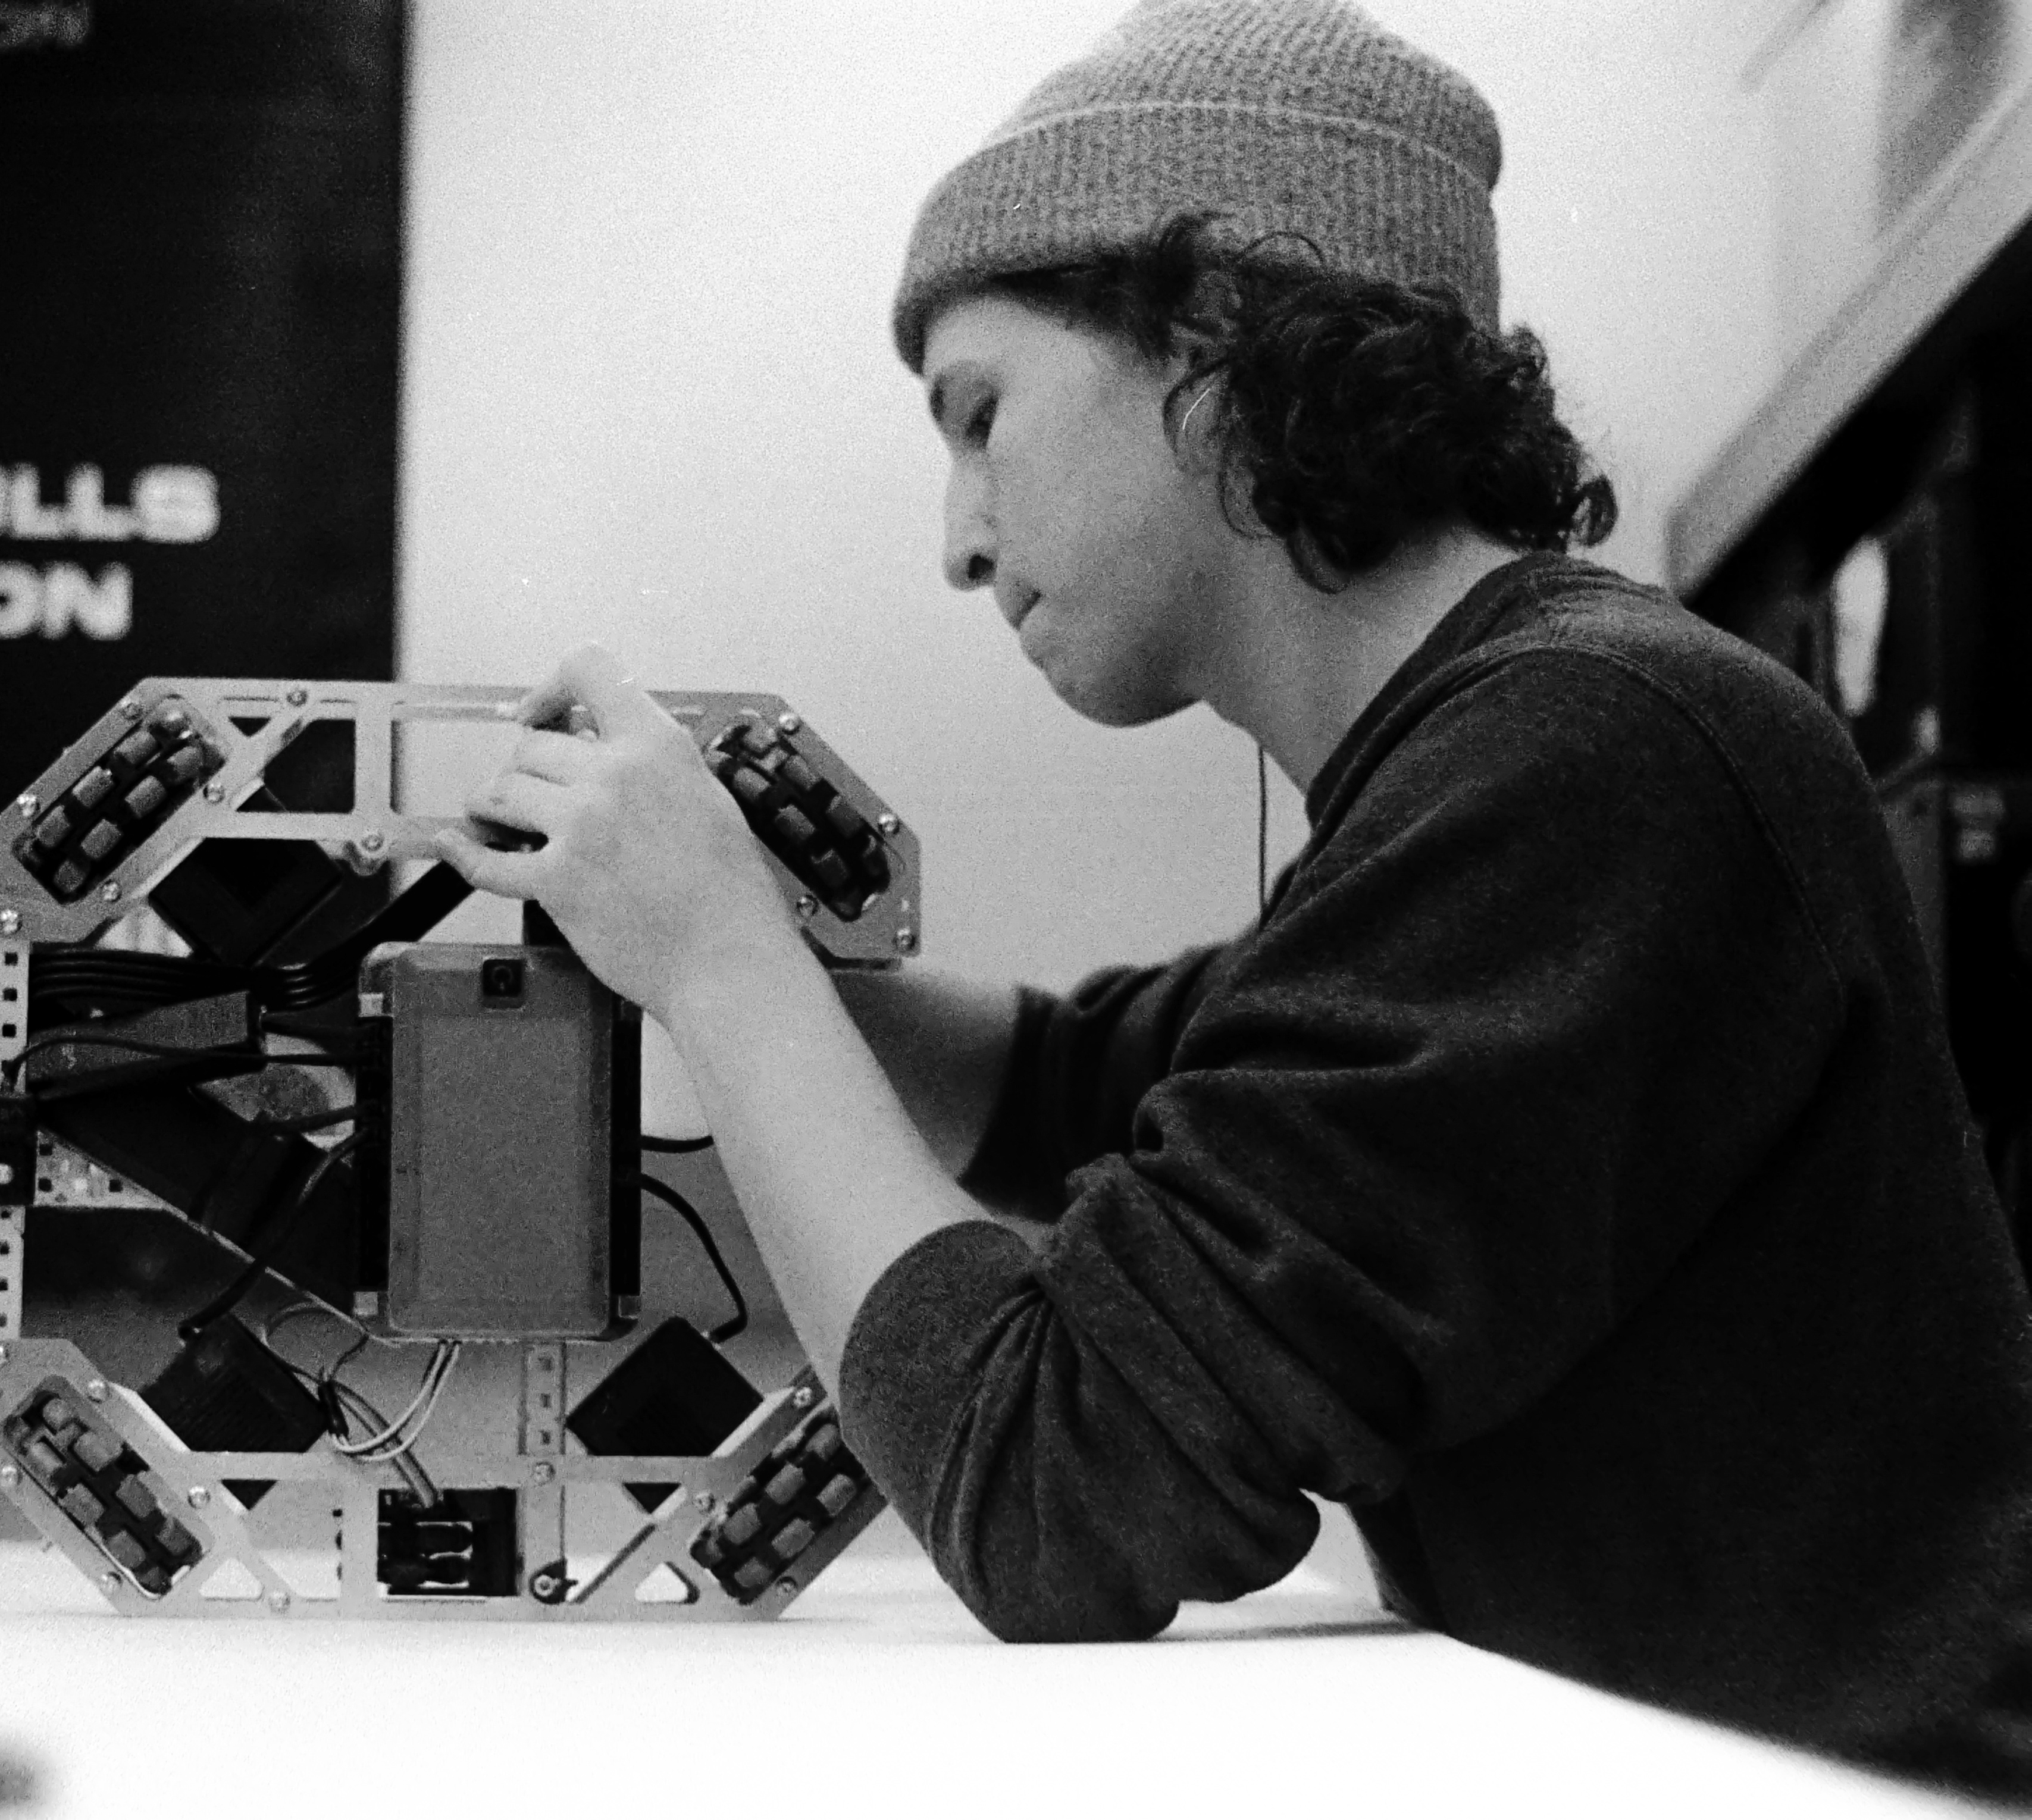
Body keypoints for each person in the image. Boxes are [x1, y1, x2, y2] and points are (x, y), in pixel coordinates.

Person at [430, 0, 2032, 1797]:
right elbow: (1077, 1081)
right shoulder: (1502, 759)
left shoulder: (1598, 752)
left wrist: (728, 966)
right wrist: (704, 933)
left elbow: (1052, 1484)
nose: (958, 539)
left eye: (983, 417)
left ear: (1214, 336)